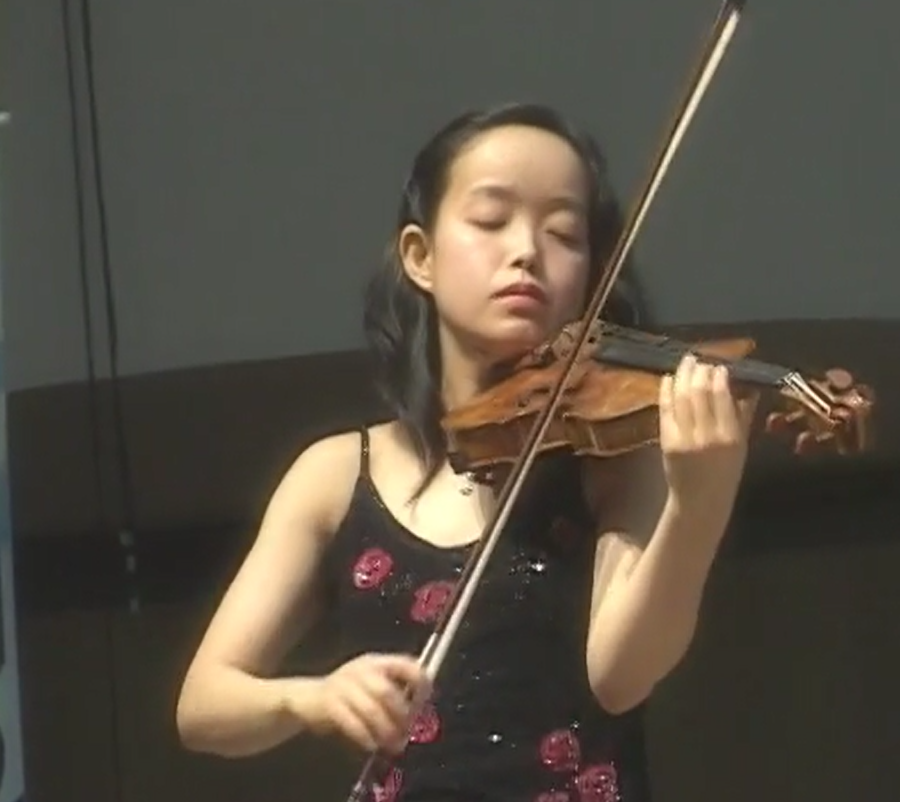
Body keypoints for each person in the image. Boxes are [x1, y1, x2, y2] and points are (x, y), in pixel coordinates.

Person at [175, 102, 756, 802]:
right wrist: (312, 698)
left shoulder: (612, 460)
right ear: (419, 257)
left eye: (563, 233)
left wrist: (698, 508)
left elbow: (620, 676)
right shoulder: (334, 474)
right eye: (490, 220)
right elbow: (204, 706)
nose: (527, 251)